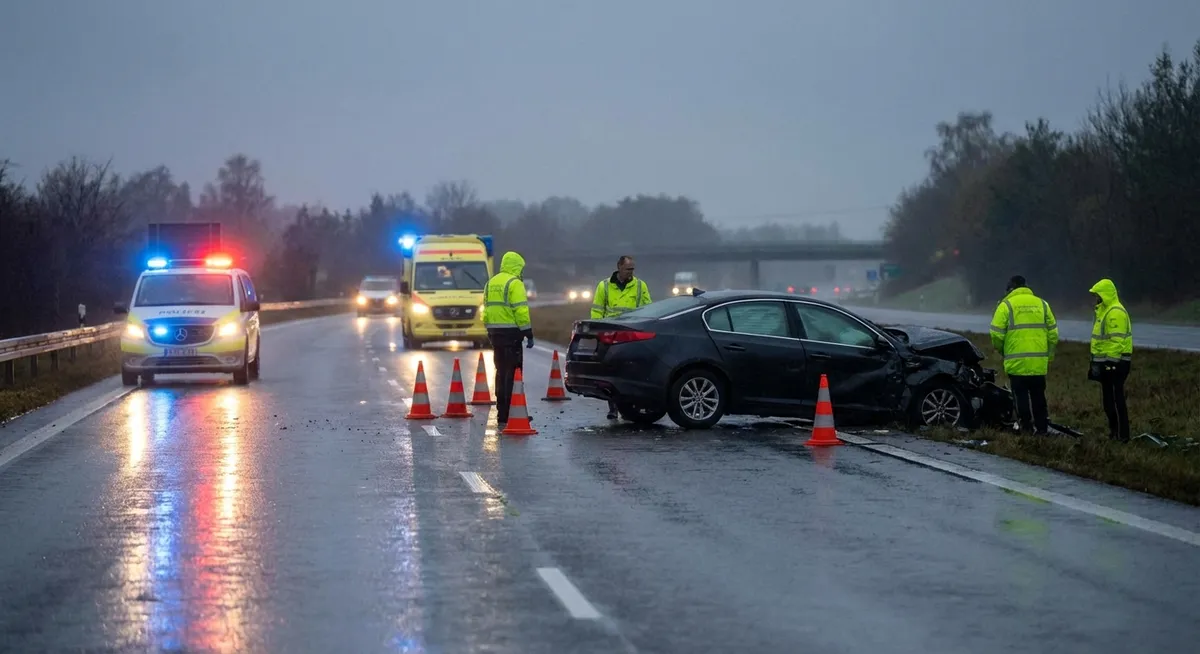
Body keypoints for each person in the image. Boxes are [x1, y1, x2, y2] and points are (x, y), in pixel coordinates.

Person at [989, 275, 1058, 435]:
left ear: (1010, 288)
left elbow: (996, 334)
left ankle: (1026, 428)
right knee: (1039, 397)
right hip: (1038, 363)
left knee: (1020, 398)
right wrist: (1049, 355)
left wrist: (1003, 351)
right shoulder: (1042, 304)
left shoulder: (1006, 305)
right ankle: (1042, 429)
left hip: (1017, 361)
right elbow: (1053, 334)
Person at [591, 255, 653, 419]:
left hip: (632, 336)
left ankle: (630, 407)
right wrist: (597, 332)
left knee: (632, 373)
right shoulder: (604, 286)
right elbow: (597, 311)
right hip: (610, 336)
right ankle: (613, 407)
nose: (630, 273)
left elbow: (648, 309)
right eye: (628, 269)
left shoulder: (640, 286)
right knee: (611, 374)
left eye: (632, 269)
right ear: (619, 267)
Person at [482, 251, 534, 427]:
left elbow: (486, 310)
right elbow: (521, 310)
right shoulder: (515, 283)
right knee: (514, 374)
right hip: (512, 334)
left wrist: (489, 330)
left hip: (496, 335)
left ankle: (502, 413)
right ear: (517, 266)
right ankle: (515, 411)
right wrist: (528, 332)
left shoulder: (491, 283)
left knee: (501, 372)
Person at [1088, 278, 1132, 442]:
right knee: (1108, 401)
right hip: (1106, 364)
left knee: (1116, 399)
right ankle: (1114, 432)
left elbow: (1116, 340)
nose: (1095, 299)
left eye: (1097, 295)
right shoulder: (1104, 312)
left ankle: (1122, 435)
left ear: (1104, 295)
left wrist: (1110, 363)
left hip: (1116, 364)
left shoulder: (1115, 312)